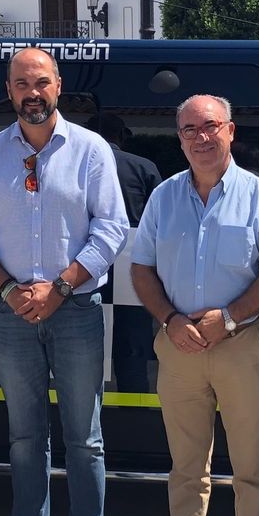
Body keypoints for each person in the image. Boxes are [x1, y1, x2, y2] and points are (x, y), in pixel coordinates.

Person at [0, 47, 129, 516]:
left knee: (85, 438)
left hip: (76, 309)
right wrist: (10, 290)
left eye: (41, 82)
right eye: (21, 84)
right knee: (25, 437)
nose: (32, 93)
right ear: (9, 91)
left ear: (59, 86)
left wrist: (60, 287)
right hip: (10, 314)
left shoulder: (91, 150)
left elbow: (111, 228)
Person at [129, 94, 259, 516]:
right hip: (178, 343)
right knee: (186, 464)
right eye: (189, 130)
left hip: (240, 342)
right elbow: (141, 268)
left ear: (230, 131)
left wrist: (226, 319)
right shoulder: (163, 197)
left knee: (251, 464)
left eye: (210, 126)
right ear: (179, 138)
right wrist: (170, 319)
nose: (200, 137)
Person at [94, 112, 161, 393]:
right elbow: (161, 224)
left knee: (84, 351)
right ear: (121, 135)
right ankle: (133, 409)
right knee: (132, 348)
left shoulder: (75, 166)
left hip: (85, 274)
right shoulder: (143, 167)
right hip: (133, 274)